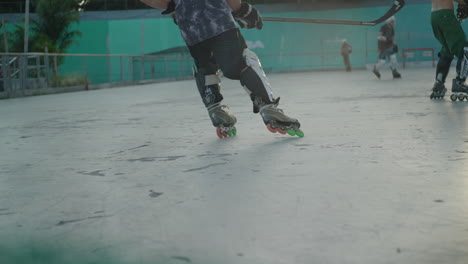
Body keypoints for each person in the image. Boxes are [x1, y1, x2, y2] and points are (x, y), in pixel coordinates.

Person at [140, 0, 303, 138]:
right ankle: (268, 107)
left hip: (191, 29)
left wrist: (176, 6)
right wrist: (242, 10)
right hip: (219, 23)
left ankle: (216, 111)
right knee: (241, 63)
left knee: (205, 67)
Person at [430, 0, 468, 100]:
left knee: (447, 51)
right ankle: (459, 82)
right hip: (445, 15)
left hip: (434, 16)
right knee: (465, 49)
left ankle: (439, 83)